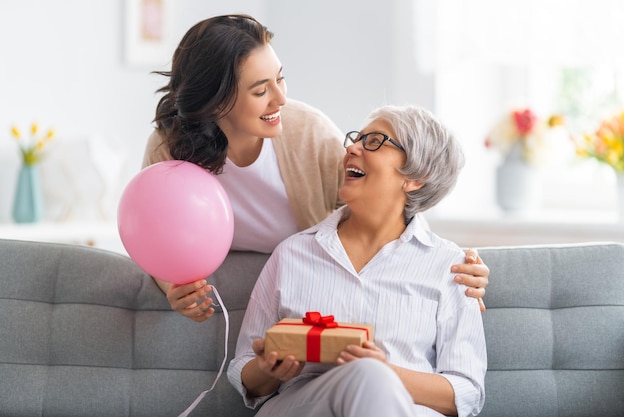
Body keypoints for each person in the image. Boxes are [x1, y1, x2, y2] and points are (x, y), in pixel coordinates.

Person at [141, 14, 490, 322]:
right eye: (261, 90)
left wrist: (449, 262)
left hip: (313, 290)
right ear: (216, 101)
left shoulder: (308, 131)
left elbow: (383, 202)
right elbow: (151, 236)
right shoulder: (169, 149)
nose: (280, 98)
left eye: (280, 79)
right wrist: (175, 286)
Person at [227, 105, 487, 417]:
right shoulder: (293, 254)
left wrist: (385, 373)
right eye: (356, 138)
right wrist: (268, 369)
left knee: (373, 378)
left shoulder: (453, 268)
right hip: (305, 407)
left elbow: (467, 392)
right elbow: (243, 366)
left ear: (416, 177)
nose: (352, 147)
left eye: (375, 141)